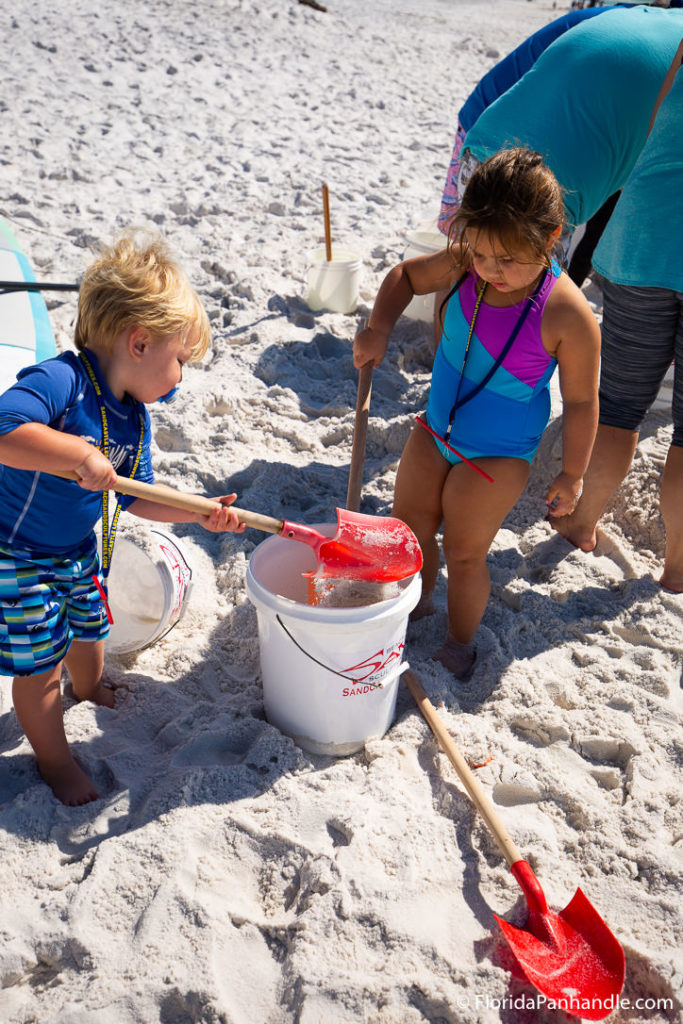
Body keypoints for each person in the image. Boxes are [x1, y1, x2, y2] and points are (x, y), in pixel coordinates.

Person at [0, 228, 245, 806]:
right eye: (180, 360)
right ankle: (56, 762)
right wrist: (77, 455)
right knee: (39, 667)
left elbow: (136, 495)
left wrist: (199, 514)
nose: (182, 378)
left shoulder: (133, 418)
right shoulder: (61, 382)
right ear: (138, 344)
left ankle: (88, 689)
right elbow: (6, 431)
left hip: (77, 547)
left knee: (91, 628)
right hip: (18, 553)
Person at [353, 149, 600, 680]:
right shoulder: (468, 259)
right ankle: (414, 607)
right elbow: (403, 277)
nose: (490, 270)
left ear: (551, 236)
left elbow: (582, 402)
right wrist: (378, 327)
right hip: (436, 426)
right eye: (482, 254)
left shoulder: (567, 312)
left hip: (497, 455)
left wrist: (573, 474)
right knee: (409, 525)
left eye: (507, 260)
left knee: (464, 552)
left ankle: (459, 642)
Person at [551, 37, 683, 593]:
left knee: (622, 408)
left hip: (640, 241)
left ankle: (580, 519)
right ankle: (677, 570)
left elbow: (649, 122)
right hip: (645, 243)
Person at [459, 5, 683, 253]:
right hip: (550, 189)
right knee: (532, 285)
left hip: (482, 147)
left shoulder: (632, 15)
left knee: (461, 266)